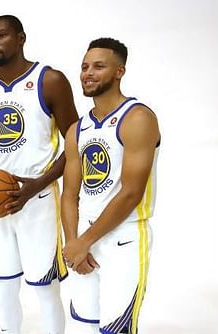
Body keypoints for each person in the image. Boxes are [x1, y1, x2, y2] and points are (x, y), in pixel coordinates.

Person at [0, 15, 79, 334]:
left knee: (45, 287)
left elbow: (75, 144)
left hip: (38, 199)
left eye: (1, 35)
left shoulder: (50, 81)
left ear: (21, 38)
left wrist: (37, 186)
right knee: (2, 287)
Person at [61, 38, 160, 334]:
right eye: (84, 67)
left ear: (119, 71)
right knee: (82, 327)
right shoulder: (77, 129)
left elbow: (131, 193)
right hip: (83, 240)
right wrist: (72, 243)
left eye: (99, 66)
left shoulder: (138, 118)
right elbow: (69, 194)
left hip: (124, 238)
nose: (88, 73)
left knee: (114, 329)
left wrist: (83, 241)